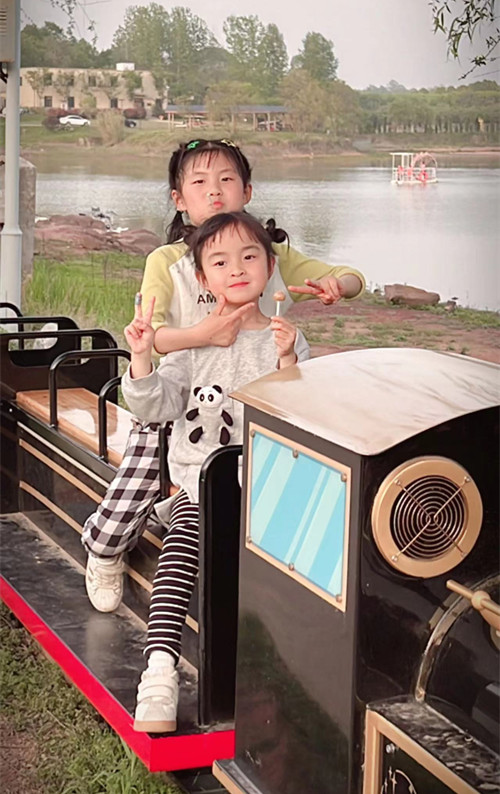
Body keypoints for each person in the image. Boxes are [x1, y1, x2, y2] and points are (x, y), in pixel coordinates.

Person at [82, 137, 365, 611]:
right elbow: (151, 334)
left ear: (247, 191)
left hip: (253, 404)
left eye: (227, 180)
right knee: (137, 480)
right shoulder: (168, 262)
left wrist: (338, 283)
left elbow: (352, 276)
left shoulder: (269, 253)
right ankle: (105, 549)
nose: (214, 191)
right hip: (182, 398)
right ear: (179, 199)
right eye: (199, 183)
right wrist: (204, 334)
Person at [122, 212, 310, 732]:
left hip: (268, 485)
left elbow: (300, 413)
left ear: (270, 266)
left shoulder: (286, 339)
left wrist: (289, 360)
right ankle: (160, 669)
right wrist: (142, 358)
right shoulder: (194, 344)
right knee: (183, 546)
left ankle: (291, 674)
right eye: (221, 262)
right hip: (199, 485)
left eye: (250, 257)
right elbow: (155, 406)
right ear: (203, 278)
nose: (238, 269)